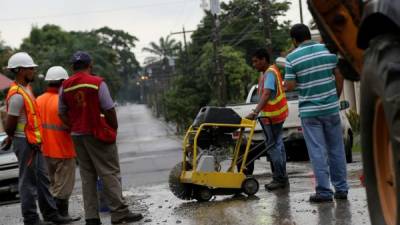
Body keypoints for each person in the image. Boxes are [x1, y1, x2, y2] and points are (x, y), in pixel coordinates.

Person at [58, 51, 143, 225]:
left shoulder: (65, 86)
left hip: (78, 136)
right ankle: (119, 213)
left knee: (87, 176)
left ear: (72, 67)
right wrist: (113, 128)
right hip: (97, 133)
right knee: (109, 172)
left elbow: (62, 112)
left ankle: (91, 217)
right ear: (90, 65)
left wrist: (73, 125)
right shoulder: (97, 83)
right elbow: (109, 108)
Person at [4, 52, 71, 225]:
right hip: (24, 142)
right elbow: (10, 125)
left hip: (33, 142)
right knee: (27, 182)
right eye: (30, 68)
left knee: (43, 179)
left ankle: (50, 214)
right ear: (20, 70)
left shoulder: (27, 89)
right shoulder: (17, 94)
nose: (33, 71)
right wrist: (13, 139)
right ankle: (31, 219)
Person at [284, 24, 348, 202]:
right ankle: (341, 189)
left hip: (310, 113)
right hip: (331, 108)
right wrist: (335, 96)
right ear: (308, 35)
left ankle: (324, 192)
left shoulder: (291, 58)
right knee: (337, 149)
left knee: (317, 151)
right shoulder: (327, 51)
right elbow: (339, 75)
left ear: (294, 40)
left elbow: (289, 86)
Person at [36, 66, 80, 221]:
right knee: (64, 186)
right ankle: (60, 214)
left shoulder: (38, 100)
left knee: (53, 185)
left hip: (44, 151)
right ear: (62, 81)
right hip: (63, 149)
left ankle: (52, 214)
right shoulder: (63, 101)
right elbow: (71, 124)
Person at [246, 48, 289, 191]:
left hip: (272, 117)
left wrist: (255, 112)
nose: (254, 64)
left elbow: (266, 94)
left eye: (256, 61)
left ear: (264, 59)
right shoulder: (270, 71)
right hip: (277, 115)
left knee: (273, 147)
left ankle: (279, 179)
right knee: (279, 145)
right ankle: (283, 177)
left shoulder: (269, 73)